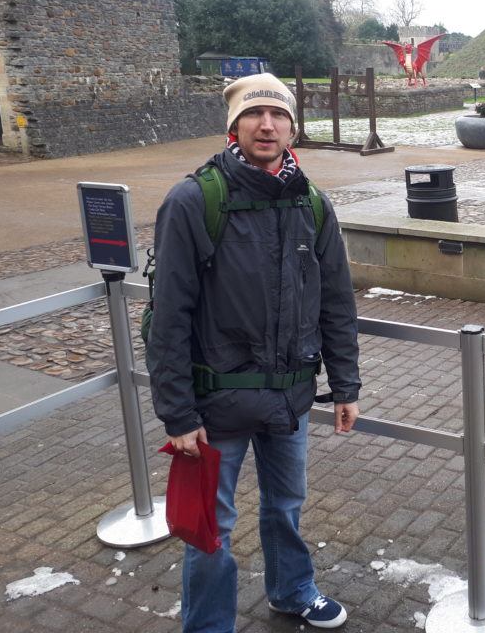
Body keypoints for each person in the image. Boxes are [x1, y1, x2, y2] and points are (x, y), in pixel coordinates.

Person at [147, 73, 361, 631]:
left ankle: (292, 591)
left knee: (286, 507)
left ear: (293, 126)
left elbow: (336, 300)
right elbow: (168, 316)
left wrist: (345, 385)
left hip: (288, 400)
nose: (267, 125)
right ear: (233, 125)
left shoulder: (312, 202)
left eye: (278, 114)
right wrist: (178, 413)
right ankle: (210, 625)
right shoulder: (194, 200)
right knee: (208, 526)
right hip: (215, 406)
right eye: (254, 114)